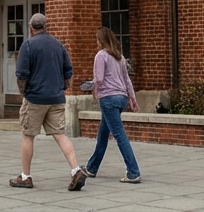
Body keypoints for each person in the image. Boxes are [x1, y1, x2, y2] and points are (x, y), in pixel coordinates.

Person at [11, 13, 88, 191]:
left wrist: (24, 93)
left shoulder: (28, 45)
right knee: (60, 134)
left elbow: (21, 74)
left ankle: (25, 176)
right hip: (56, 97)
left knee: (28, 135)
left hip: (35, 98)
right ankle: (75, 169)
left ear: (31, 27)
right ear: (46, 26)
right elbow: (68, 71)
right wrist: (62, 88)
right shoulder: (58, 45)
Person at [83, 27, 141, 183]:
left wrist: (93, 89)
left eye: (97, 39)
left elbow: (99, 79)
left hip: (108, 98)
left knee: (119, 134)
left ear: (101, 41)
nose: (96, 42)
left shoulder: (101, 56)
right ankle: (91, 168)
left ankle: (133, 171)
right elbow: (127, 80)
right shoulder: (119, 57)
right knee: (103, 135)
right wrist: (132, 98)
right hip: (121, 98)